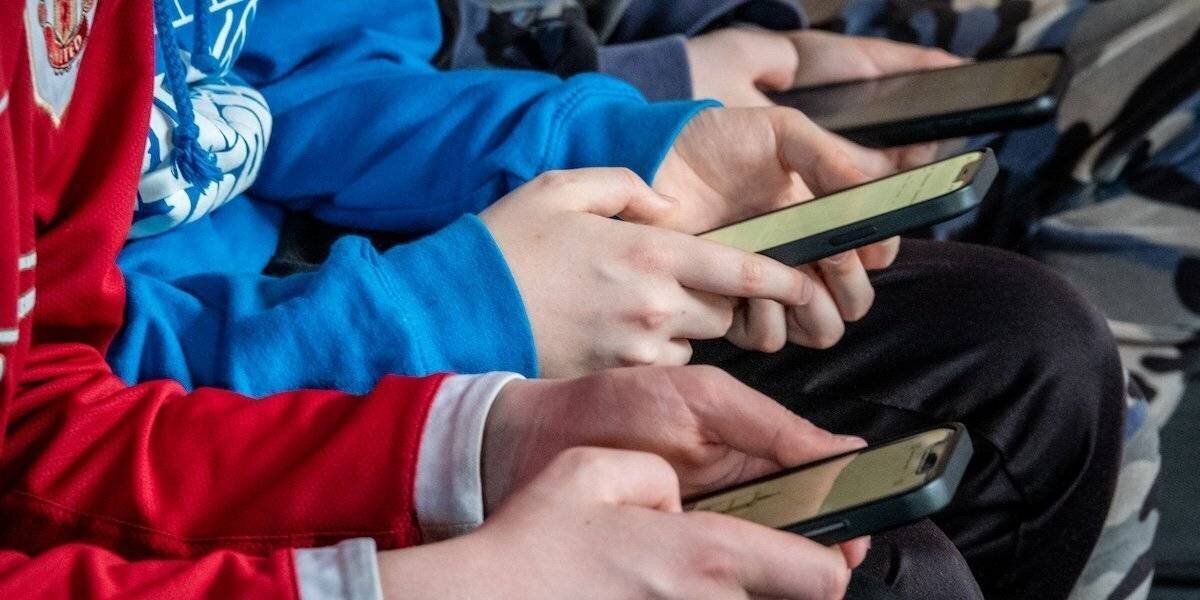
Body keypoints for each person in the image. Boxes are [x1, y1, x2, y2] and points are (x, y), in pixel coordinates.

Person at [100, 2, 1135, 599]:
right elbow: (54, 406)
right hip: (201, 407)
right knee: (888, 573)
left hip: (343, 290)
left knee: (1030, 357)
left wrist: (631, 147)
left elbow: (319, 76)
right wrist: (458, 314)